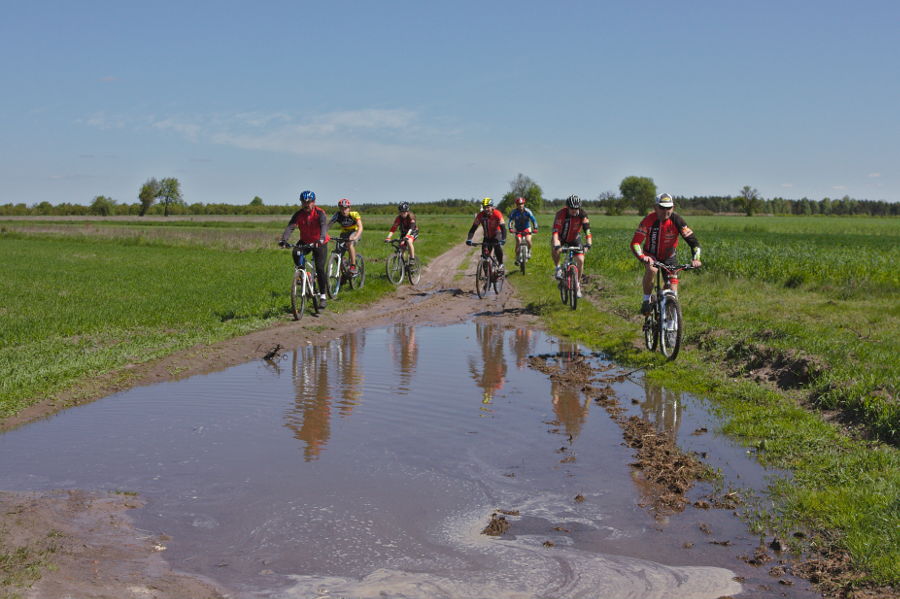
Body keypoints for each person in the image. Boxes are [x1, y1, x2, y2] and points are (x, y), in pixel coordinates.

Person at [631, 193, 702, 315]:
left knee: (673, 290)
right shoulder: (649, 219)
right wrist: (643, 257)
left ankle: (670, 320)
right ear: (655, 207)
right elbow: (635, 243)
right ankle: (646, 300)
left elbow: (694, 243)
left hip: (669, 258)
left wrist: (696, 259)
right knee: (652, 270)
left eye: (668, 208)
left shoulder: (677, 220)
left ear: (673, 208)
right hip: (651, 255)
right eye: (662, 207)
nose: (665, 211)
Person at [279, 190, 330, 308]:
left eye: (309, 202)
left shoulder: (320, 213)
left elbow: (323, 226)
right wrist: (284, 240)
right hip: (305, 241)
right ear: (301, 202)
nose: (306, 204)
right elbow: (290, 227)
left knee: (320, 267)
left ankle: (323, 296)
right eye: (304, 202)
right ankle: (303, 275)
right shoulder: (298, 214)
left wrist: (321, 239)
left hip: (319, 242)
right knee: (296, 251)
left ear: (314, 202)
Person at [551, 195, 592, 298]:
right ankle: (558, 268)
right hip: (561, 237)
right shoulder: (561, 214)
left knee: (581, 260)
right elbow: (555, 231)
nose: (574, 211)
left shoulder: (583, 214)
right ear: (568, 207)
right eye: (572, 208)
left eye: (576, 208)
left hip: (574, 238)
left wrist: (588, 244)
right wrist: (556, 244)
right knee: (554, 247)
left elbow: (587, 230)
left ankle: (577, 284)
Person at [466, 197, 507, 272]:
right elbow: (473, 228)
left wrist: (503, 239)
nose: (486, 209)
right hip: (487, 236)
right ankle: (487, 278)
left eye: (488, 207)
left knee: (497, 246)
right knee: (484, 257)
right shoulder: (480, 215)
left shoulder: (497, 214)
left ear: (492, 207)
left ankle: (501, 264)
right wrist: (469, 239)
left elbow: (503, 228)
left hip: (496, 234)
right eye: (484, 207)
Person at [328, 198, 363, 274]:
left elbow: (360, 227)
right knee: (337, 253)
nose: (344, 210)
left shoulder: (354, 214)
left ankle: (353, 266)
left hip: (355, 232)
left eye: (346, 208)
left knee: (349, 243)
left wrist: (356, 237)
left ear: (349, 208)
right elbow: (329, 225)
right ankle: (343, 273)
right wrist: (323, 234)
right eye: (341, 208)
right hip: (344, 234)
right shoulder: (337, 215)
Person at [507, 196, 538, 265]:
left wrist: (535, 228)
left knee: (528, 240)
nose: (520, 205)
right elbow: (511, 221)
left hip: (526, 228)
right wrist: (510, 228)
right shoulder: (514, 212)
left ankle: (529, 251)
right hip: (518, 229)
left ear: (524, 204)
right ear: (516, 205)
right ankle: (517, 257)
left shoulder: (527, 211)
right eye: (518, 204)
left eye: (521, 204)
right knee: (518, 240)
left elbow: (533, 220)